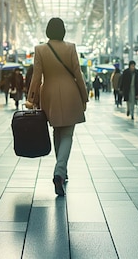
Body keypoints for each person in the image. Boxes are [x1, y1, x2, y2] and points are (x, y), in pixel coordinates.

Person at [25, 17, 89, 196]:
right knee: (67, 134)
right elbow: (78, 74)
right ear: (63, 31)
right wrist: (84, 96)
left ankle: (61, 171)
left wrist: (31, 98)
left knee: (56, 131)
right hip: (70, 93)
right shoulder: (70, 48)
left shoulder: (40, 50)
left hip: (50, 94)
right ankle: (60, 172)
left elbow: (36, 77)